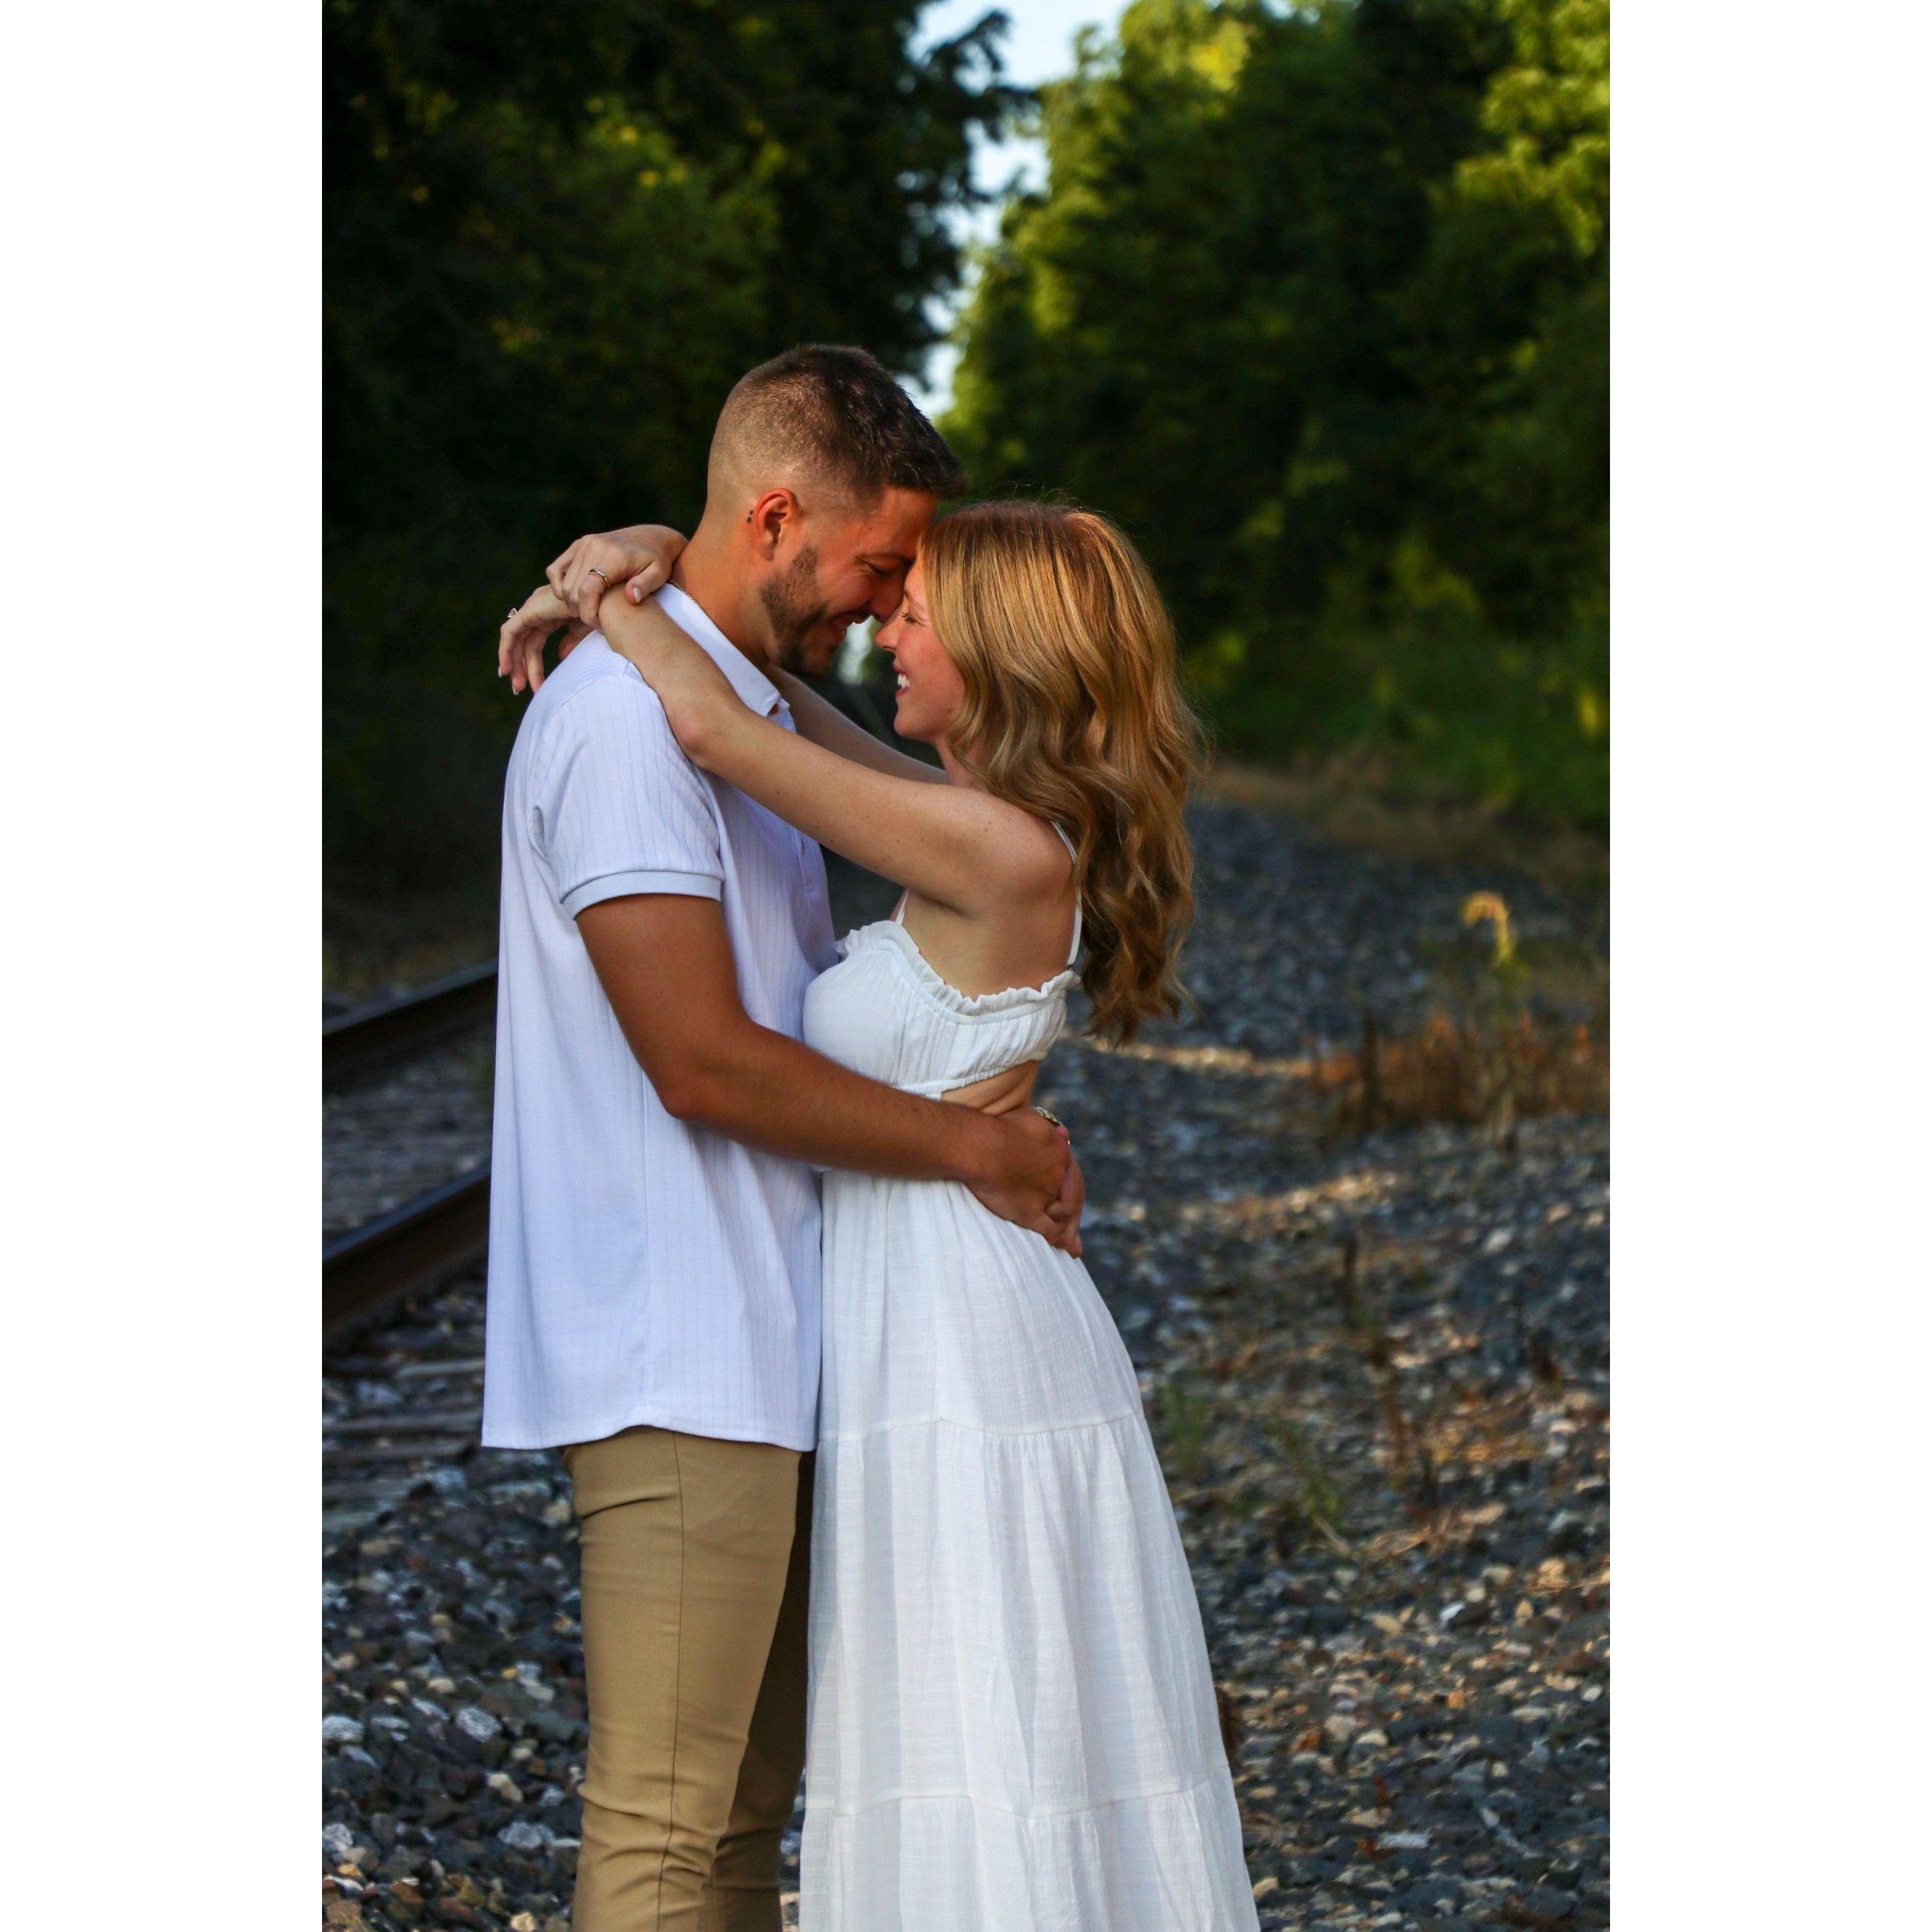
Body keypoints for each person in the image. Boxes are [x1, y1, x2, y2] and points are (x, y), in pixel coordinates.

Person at [505, 492, 1260, 1929]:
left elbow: (723, 730)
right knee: (951, 1728)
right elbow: (774, 704)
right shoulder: (971, 823)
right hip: (913, 1299)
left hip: (958, 1334)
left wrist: (607, 599)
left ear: (999, 653)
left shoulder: (1003, 852)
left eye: (915, 618)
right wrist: (669, 557)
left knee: (982, 1734)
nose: (885, 636)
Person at [483, 345, 1084, 1932]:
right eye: (879, 568)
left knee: (740, 1831)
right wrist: (967, 1146)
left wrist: (634, 566)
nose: (884, 612)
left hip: (768, 1336)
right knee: (665, 1833)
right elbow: (701, 1062)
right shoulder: (628, 731)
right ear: (774, 521)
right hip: (679, 1344)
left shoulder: (736, 717)